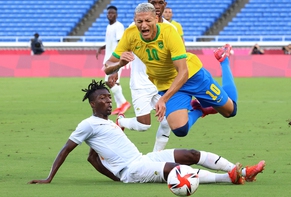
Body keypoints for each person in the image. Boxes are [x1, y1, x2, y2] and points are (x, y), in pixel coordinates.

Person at [28, 80, 265, 185]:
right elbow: (66, 149)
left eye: (109, 97)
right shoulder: (87, 124)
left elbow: (92, 157)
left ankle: (242, 170)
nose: (108, 101)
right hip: (133, 170)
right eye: (102, 98)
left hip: (142, 160)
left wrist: (112, 178)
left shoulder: (108, 124)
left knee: (190, 154)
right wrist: (49, 177)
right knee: (177, 171)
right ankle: (231, 177)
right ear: (92, 103)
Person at [103, 3, 238, 139]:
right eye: (139, 21)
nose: (143, 25)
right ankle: (198, 109)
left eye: (148, 21)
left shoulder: (169, 32)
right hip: (167, 85)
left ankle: (223, 60)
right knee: (180, 130)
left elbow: (183, 72)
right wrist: (119, 64)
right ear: (135, 21)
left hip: (192, 76)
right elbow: (107, 66)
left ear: (156, 19)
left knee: (230, 111)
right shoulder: (130, 35)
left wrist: (163, 99)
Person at [115, 0, 179, 152]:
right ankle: (121, 121)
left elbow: (179, 56)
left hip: (163, 84)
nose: (157, 6)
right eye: (153, 2)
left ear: (165, 4)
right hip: (141, 83)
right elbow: (122, 53)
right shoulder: (134, 28)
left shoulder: (171, 28)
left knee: (167, 122)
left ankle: (155, 157)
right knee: (144, 125)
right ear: (148, 3)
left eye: (160, 2)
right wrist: (115, 71)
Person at [96, 5, 130, 115]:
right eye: (109, 13)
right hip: (109, 58)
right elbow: (111, 42)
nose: (110, 15)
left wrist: (119, 59)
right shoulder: (109, 27)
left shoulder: (118, 26)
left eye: (112, 13)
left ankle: (124, 103)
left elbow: (121, 42)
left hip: (115, 58)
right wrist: (102, 47)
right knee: (115, 82)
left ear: (116, 15)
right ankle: (120, 107)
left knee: (109, 81)